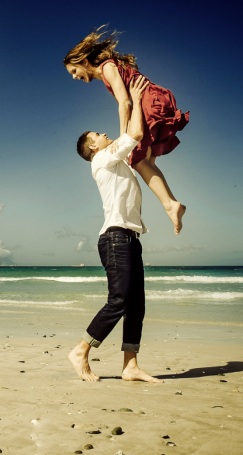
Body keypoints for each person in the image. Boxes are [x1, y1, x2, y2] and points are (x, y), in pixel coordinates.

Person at [68, 74, 163, 383]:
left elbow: (125, 130)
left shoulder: (115, 160)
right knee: (119, 300)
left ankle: (130, 366)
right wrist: (135, 100)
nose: (105, 133)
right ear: (92, 147)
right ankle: (81, 349)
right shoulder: (103, 161)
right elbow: (133, 132)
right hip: (115, 238)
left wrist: (125, 103)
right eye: (98, 133)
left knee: (136, 304)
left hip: (129, 237)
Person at [64, 26, 189, 235]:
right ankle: (171, 205)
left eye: (74, 71)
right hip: (151, 101)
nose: (74, 77)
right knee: (146, 162)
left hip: (147, 102)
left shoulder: (106, 68)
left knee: (137, 159)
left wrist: (124, 138)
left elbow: (124, 102)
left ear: (84, 61)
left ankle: (170, 205)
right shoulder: (107, 70)